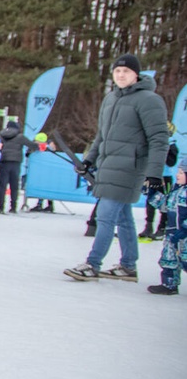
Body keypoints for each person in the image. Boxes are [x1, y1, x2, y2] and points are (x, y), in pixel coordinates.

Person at [64, 54, 169, 282]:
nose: (121, 75)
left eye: (126, 72)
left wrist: (154, 173)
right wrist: (89, 161)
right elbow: (102, 136)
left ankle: (93, 264)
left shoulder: (149, 100)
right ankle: (128, 266)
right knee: (123, 218)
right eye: (117, 71)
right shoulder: (110, 99)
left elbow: (159, 139)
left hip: (130, 168)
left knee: (105, 215)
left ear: (136, 75)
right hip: (108, 167)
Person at [148, 160, 187, 295]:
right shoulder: (176, 191)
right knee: (169, 259)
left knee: (185, 259)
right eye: (178, 172)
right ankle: (169, 284)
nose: (177, 175)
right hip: (172, 233)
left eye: (181, 172)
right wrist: (152, 193)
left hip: (184, 235)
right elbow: (164, 206)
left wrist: (184, 230)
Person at [139, 131, 178, 239]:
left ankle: (162, 228)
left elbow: (171, 162)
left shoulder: (172, 144)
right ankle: (149, 226)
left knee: (164, 203)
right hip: (153, 175)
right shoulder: (153, 142)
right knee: (150, 202)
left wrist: (163, 151)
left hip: (165, 177)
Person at [0, 120, 31, 213]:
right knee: (14, 186)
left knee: (2, 185)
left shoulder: (1, 136)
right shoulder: (20, 137)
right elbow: (32, 145)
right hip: (16, 163)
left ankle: (1, 206)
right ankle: (13, 207)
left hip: (4, 163)